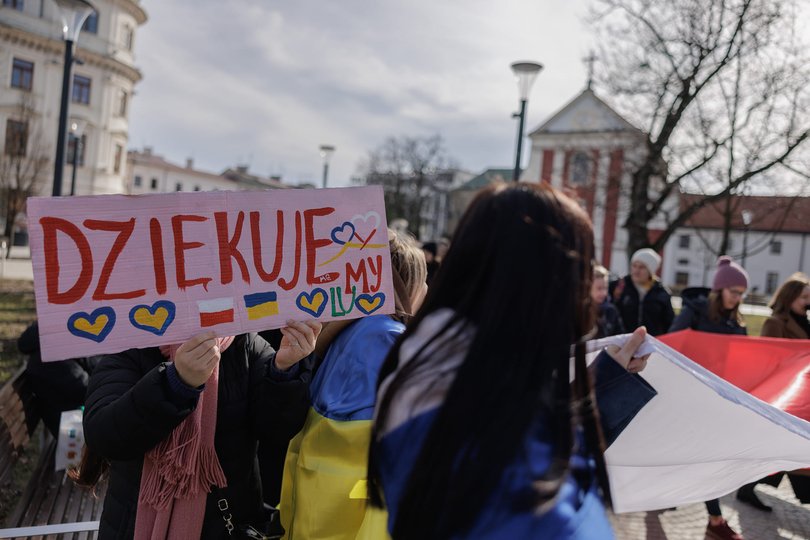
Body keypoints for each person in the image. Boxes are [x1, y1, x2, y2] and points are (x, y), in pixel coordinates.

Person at [368, 182, 655, 539]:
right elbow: (545, 487)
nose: (586, 294)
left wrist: (604, 381)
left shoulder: (434, 362)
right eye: (580, 272)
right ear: (546, 283)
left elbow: (536, 438)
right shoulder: (504, 459)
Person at [78, 321, 320, 539]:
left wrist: (284, 369)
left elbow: (276, 430)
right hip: (134, 526)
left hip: (231, 522)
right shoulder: (130, 345)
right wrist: (174, 383)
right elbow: (104, 436)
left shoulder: (244, 342)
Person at [279, 230, 428, 538]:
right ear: (407, 285)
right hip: (354, 517)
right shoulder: (389, 340)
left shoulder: (343, 329)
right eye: (422, 280)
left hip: (314, 511)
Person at [669, 256, 748, 540]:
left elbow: (742, 359)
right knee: (700, 456)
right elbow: (672, 343)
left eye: (741, 293)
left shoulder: (736, 323)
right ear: (719, 289)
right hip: (688, 394)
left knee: (705, 457)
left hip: (718, 399)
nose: (737, 298)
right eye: (733, 291)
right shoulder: (695, 312)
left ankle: (711, 518)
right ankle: (715, 519)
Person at [736, 273, 810, 509]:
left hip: (803, 396)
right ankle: (748, 486)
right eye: (804, 297)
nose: (808, 302)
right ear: (789, 298)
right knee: (788, 448)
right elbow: (769, 359)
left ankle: (748, 487)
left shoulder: (805, 321)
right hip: (786, 397)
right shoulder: (775, 323)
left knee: (789, 449)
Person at [19, 321, 100, 437]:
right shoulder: (49, 357)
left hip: (78, 414)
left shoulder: (56, 345)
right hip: (75, 424)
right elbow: (84, 388)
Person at [611, 248, 674, 336]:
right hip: (622, 341)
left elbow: (669, 325)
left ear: (651, 271)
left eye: (642, 267)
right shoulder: (618, 287)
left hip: (650, 342)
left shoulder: (662, 293)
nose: (636, 271)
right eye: (634, 266)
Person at [592, 265, 625, 339]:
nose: (603, 293)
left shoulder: (611, 311)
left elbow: (620, 337)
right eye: (599, 288)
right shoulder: (580, 312)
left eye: (605, 288)